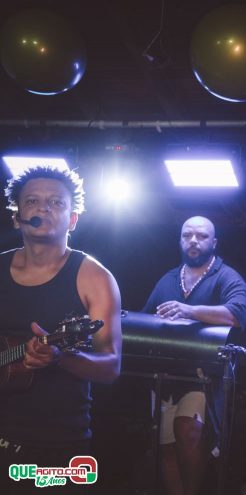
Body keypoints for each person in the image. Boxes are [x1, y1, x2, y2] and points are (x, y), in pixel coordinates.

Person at [0, 166, 122, 493]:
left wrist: (59, 359)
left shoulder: (94, 277)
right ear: (17, 217)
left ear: (72, 219)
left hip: (57, 444)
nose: (42, 208)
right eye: (32, 202)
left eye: (55, 202)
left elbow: (111, 366)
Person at [142, 216, 246, 495]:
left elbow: (237, 315)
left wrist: (190, 311)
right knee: (165, 447)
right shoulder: (167, 279)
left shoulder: (226, 277)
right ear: (179, 240)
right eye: (187, 235)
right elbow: (144, 319)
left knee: (188, 433)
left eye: (201, 236)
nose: (193, 240)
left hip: (204, 377)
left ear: (213, 242)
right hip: (165, 377)